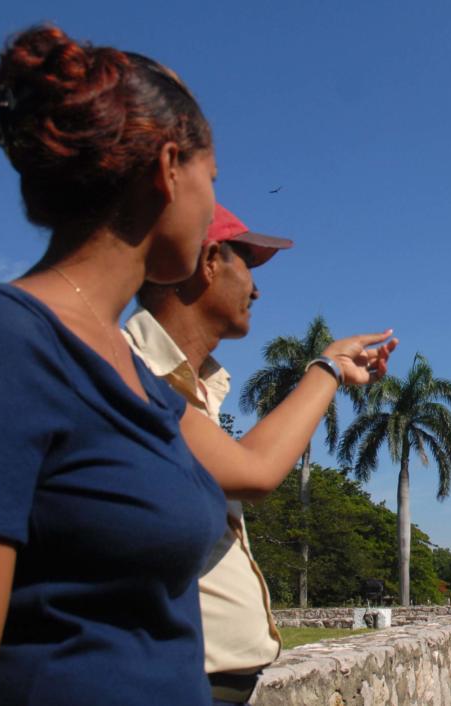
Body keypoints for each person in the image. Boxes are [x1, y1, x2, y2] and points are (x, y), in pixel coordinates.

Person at [0, 25, 395, 706]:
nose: (213, 201)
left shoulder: (134, 374)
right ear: (168, 170)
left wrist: (326, 369)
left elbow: (245, 473)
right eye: (212, 180)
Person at [123, 202, 293, 706]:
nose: (257, 290)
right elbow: (253, 474)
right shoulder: (133, 370)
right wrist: (328, 369)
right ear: (210, 260)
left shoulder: (198, 385)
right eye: (247, 264)